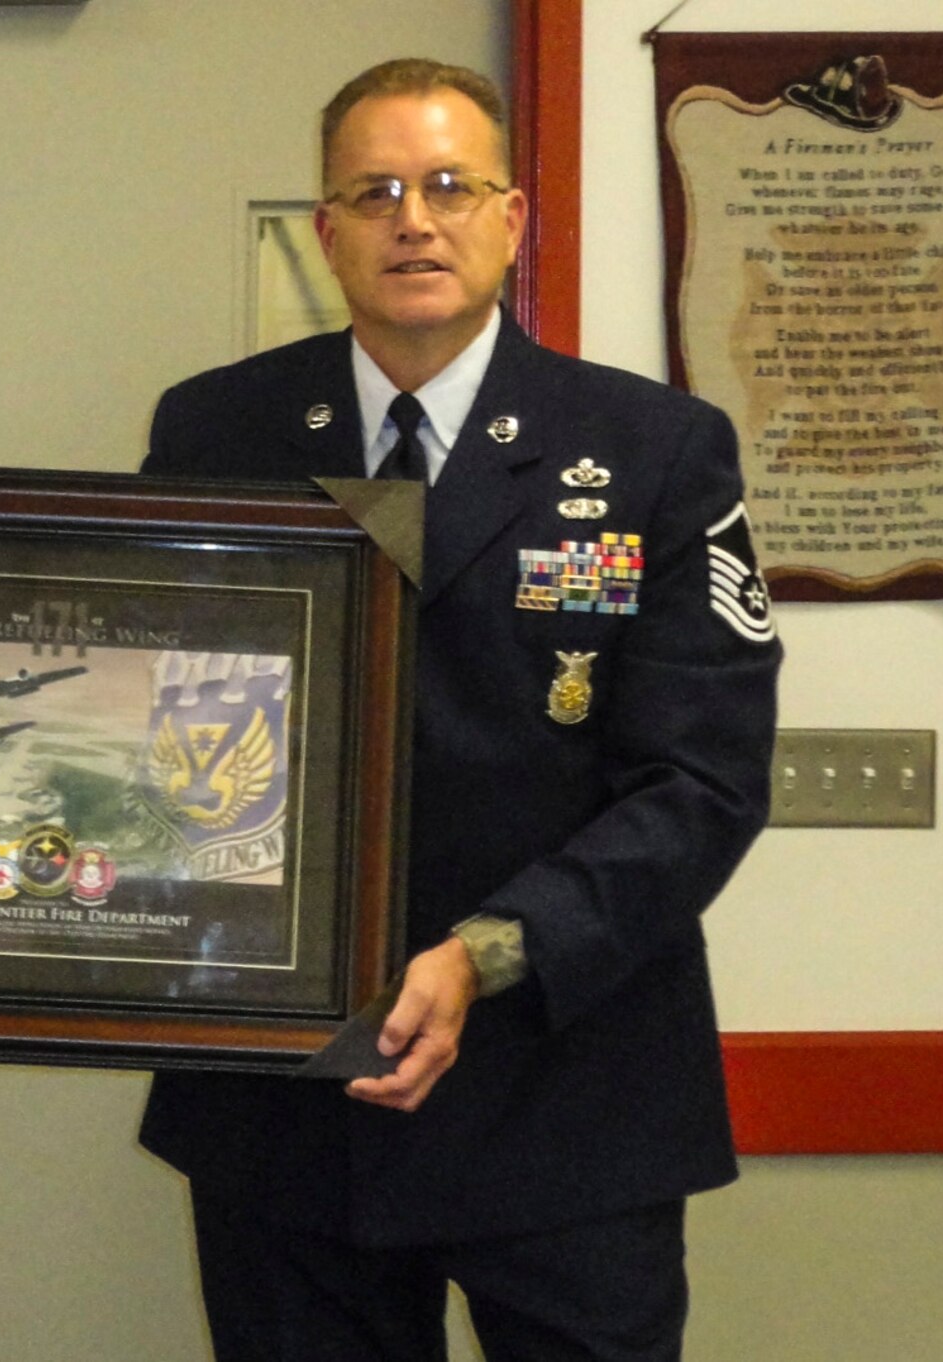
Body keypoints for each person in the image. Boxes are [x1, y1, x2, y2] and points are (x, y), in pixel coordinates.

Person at [139, 59, 781, 1361]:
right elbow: (158, 728)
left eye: (447, 185)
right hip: (287, 1110)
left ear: (510, 216)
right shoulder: (219, 430)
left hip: (568, 1094)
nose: (412, 219)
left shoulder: (654, 449)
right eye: (373, 192)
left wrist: (487, 951)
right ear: (327, 232)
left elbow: (701, 782)